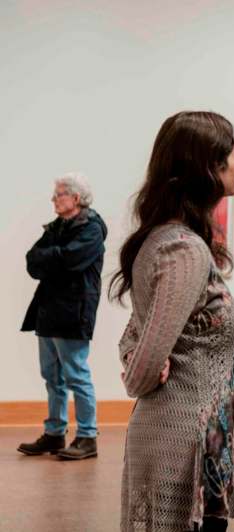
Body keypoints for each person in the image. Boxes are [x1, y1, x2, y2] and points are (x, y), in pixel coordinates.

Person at [112, 111, 234, 532]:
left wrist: (138, 352)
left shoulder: (168, 239)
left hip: (190, 445)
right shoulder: (183, 250)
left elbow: (138, 330)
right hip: (182, 446)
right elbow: (142, 364)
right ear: (210, 168)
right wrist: (142, 365)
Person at [19, 172, 106, 460]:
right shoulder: (57, 227)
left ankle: (87, 436)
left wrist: (52, 258)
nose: (53, 199)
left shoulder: (91, 229)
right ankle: (55, 433)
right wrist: (53, 258)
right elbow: (32, 260)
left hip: (73, 313)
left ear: (76, 198)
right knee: (52, 377)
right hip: (48, 312)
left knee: (76, 376)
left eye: (59, 194)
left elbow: (71, 260)